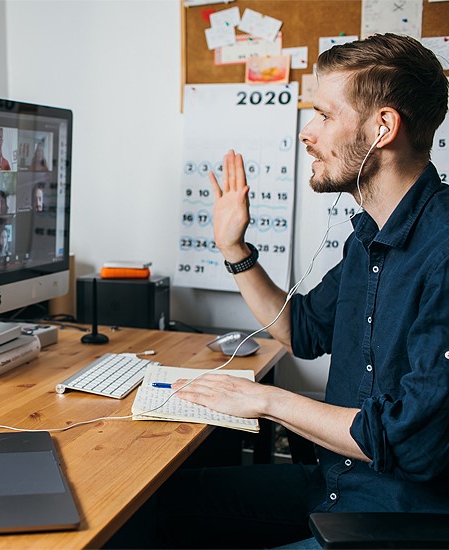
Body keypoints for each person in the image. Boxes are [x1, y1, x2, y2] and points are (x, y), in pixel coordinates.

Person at [154, 33, 449, 549]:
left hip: (396, 521)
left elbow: (414, 444)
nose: (307, 134)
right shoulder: (368, 241)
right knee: (156, 504)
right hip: (334, 488)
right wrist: (233, 248)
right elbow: (302, 331)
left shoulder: (443, 249)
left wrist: (266, 400)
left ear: (383, 127)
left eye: (323, 115)